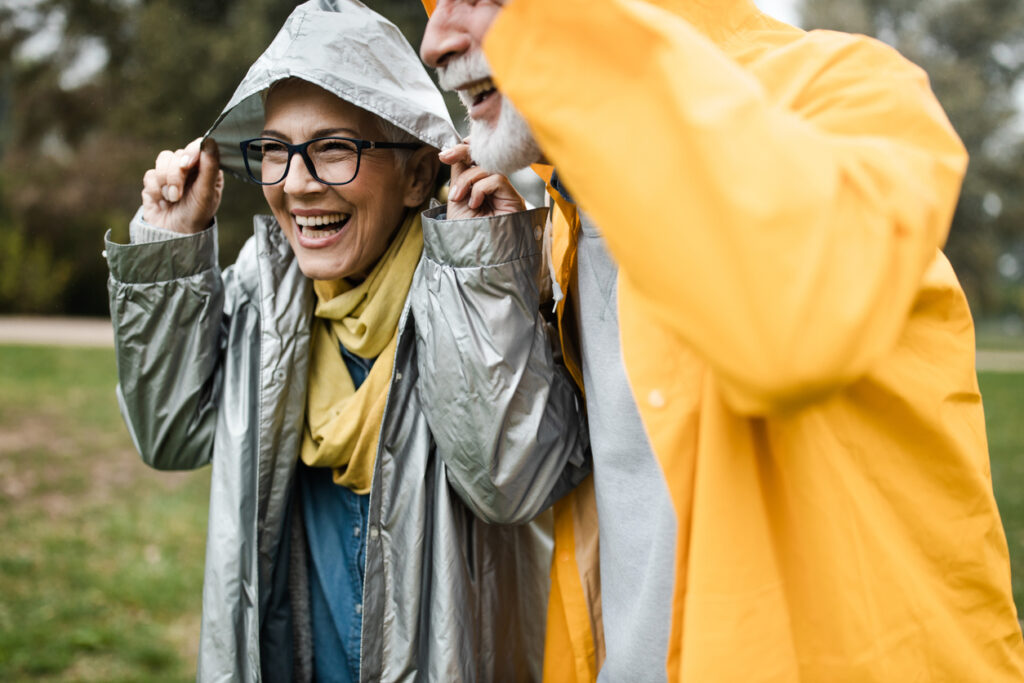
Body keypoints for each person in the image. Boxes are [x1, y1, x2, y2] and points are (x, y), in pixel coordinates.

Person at [417, 0, 1024, 681]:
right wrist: (495, 273)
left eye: (479, 1)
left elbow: (783, 325)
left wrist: (567, 54)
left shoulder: (846, 92)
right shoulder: (570, 221)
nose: (435, 40)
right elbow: (517, 479)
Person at [104, 2, 588, 681]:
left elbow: (511, 481)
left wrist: (483, 273)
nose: (298, 183)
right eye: (275, 150)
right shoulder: (261, 295)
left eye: (334, 147)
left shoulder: (485, 292)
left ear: (419, 174)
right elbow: (169, 432)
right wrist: (169, 249)